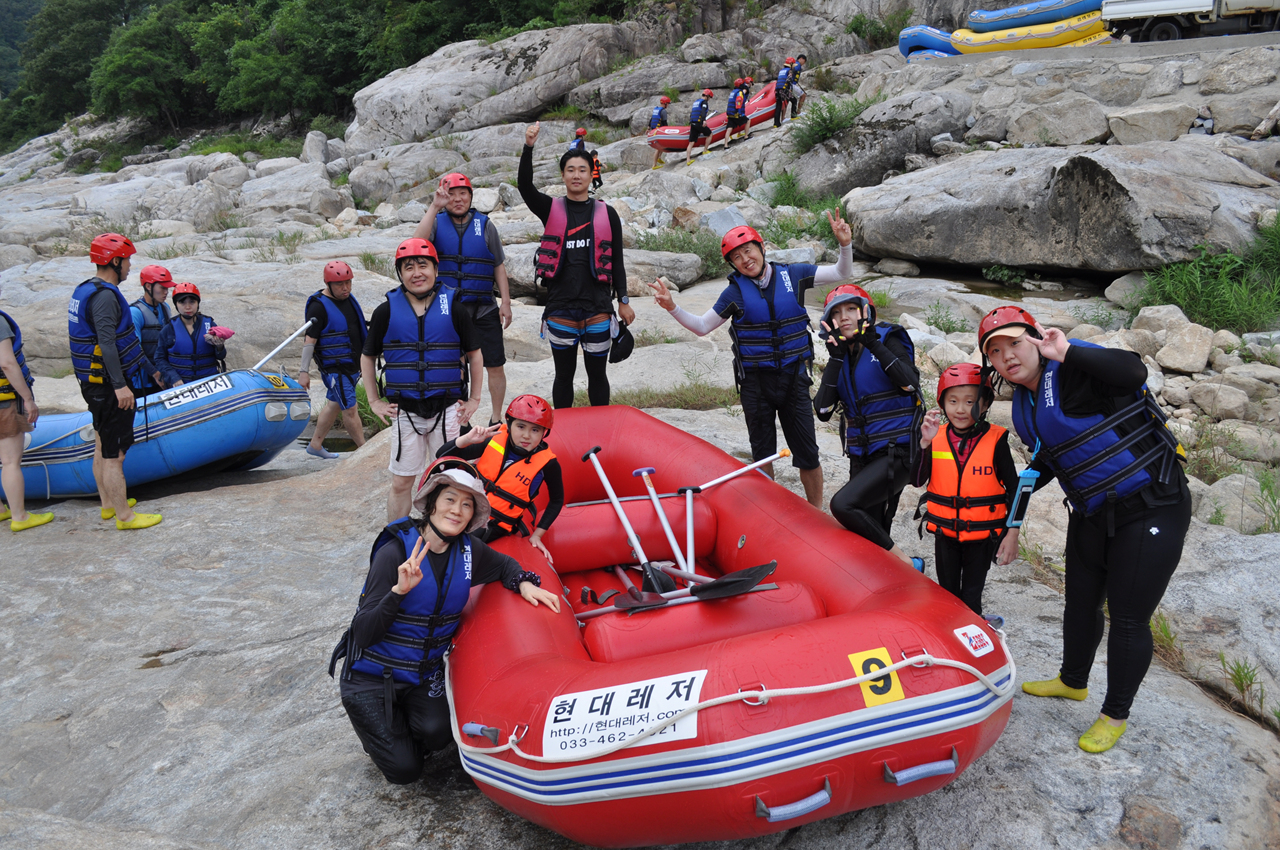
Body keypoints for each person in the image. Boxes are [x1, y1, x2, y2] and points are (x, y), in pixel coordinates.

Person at [979, 305, 1189, 754]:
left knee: (1128, 618)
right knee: (1079, 603)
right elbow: (1047, 463)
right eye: (995, 351)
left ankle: (1114, 715)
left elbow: (1133, 372)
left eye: (1015, 343)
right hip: (1093, 511)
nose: (1007, 356)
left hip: (1152, 505)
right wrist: (1008, 520)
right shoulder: (1027, 403)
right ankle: (1072, 681)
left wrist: (1068, 351)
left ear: (1036, 339)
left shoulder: (1074, 369)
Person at [329, 457, 561, 785]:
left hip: (421, 675)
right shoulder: (394, 552)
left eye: (467, 504)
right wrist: (398, 592)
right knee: (404, 771)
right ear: (432, 504)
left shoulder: (469, 551)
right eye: (450, 499)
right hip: (371, 677)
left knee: (438, 735)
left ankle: (400, 730)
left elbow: (505, 565)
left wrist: (523, 582)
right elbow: (363, 633)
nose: (457, 510)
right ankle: (383, 738)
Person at [646, 215, 863, 509]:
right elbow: (702, 326)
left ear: (761, 248)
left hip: (794, 378)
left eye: (748, 250)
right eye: (736, 257)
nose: (745, 259)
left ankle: (816, 512)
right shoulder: (734, 292)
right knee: (762, 456)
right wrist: (673, 306)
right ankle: (768, 513)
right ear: (732, 264)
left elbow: (841, 272)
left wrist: (845, 244)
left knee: (808, 455)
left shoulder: (794, 274)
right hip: (756, 384)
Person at [362, 238, 484, 522]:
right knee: (402, 481)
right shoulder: (386, 311)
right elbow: (367, 356)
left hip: (447, 409)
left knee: (451, 477)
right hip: (406, 411)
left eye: (423, 265)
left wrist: (475, 399)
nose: (416, 273)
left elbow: (475, 355)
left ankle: (446, 531)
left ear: (436, 270)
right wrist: (374, 401)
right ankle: (396, 534)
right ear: (400, 274)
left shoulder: (454, 308)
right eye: (408, 267)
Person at [519, 122, 634, 408]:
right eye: (570, 170)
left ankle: (600, 429)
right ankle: (563, 431)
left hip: (597, 308)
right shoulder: (550, 209)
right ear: (563, 175)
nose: (576, 175)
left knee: (598, 377)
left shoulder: (607, 213)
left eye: (582, 170)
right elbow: (525, 187)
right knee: (563, 377)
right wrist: (528, 147)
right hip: (561, 309)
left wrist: (623, 300)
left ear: (591, 174)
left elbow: (616, 260)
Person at [812, 283, 923, 566]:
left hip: (898, 453)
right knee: (869, 531)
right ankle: (894, 575)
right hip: (863, 456)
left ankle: (907, 564)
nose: (844, 317)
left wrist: (873, 343)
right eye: (836, 313)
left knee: (843, 505)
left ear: (866, 312)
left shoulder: (887, 339)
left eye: (851, 308)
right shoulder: (841, 355)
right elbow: (822, 410)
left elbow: (910, 383)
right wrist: (835, 359)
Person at [67, 233, 162, 530]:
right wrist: (120, 386)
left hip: (94, 384)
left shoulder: (86, 289)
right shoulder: (105, 297)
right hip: (109, 386)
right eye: (128, 260)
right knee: (114, 455)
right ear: (114, 261)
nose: (130, 266)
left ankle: (108, 505)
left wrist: (150, 370)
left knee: (101, 442)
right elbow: (107, 343)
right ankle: (125, 516)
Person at [913, 363, 1020, 620]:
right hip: (945, 533)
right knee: (947, 594)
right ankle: (949, 633)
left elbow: (1015, 488)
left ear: (984, 404)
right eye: (953, 401)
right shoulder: (934, 436)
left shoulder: (997, 440)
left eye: (970, 401)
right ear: (942, 403)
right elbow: (917, 480)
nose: (960, 409)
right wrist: (924, 444)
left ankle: (973, 631)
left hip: (982, 537)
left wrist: (1012, 532)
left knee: (972, 596)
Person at [415, 173, 513, 426]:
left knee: (495, 364)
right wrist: (434, 206)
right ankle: (461, 421)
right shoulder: (437, 222)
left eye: (463, 194)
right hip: (450, 309)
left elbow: (498, 265)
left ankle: (496, 418)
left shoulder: (485, 225)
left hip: (484, 307)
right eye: (452, 194)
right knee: (456, 366)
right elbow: (417, 243)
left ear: (471, 196)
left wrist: (505, 302)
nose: (458, 199)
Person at [436, 394, 563, 564]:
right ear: (509, 424)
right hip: (467, 506)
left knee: (454, 547)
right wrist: (467, 439)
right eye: (521, 427)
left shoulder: (548, 464)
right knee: (435, 532)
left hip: (493, 524)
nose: (526, 435)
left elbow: (557, 500)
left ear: (544, 433)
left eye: (535, 430)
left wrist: (537, 535)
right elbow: (442, 456)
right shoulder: (494, 439)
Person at [300, 260, 368, 459]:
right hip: (336, 370)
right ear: (328, 284)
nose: (345, 288)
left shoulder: (348, 299)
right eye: (340, 284)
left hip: (352, 366)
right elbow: (309, 341)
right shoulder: (318, 307)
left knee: (334, 404)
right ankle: (365, 451)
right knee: (350, 409)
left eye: (348, 282)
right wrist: (303, 372)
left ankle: (315, 444)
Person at [0, 302, 53, 531]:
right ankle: (20, 517)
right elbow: (7, 363)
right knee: (10, 461)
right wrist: (28, 399)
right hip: (4, 403)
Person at [155, 283, 228, 387]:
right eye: (182, 302)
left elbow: (221, 356)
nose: (188, 307)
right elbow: (159, 358)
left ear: (198, 303)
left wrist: (220, 347)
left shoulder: (209, 325)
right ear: (176, 304)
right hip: (182, 385)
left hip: (209, 384)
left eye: (192, 302)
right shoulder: (169, 329)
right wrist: (174, 378)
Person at [129, 264, 175, 394]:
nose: (166, 292)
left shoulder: (165, 307)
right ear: (148, 286)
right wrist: (154, 373)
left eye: (167, 288)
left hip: (164, 374)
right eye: (162, 287)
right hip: (143, 381)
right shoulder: (135, 312)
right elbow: (134, 349)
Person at [685, 89, 715, 164]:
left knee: (691, 142)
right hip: (699, 123)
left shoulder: (696, 102)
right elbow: (703, 111)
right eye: (709, 97)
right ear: (707, 96)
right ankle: (705, 150)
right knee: (709, 134)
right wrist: (704, 120)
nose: (709, 99)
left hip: (693, 123)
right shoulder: (704, 102)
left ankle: (688, 160)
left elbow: (692, 113)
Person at [725, 79, 749, 147]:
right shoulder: (739, 92)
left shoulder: (733, 92)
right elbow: (739, 102)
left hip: (730, 113)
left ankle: (725, 145)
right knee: (747, 121)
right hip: (736, 113)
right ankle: (746, 136)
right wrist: (739, 113)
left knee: (729, 128)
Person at [649, 95, 671, 170]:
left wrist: (648, 128)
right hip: (659, 131)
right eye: (668, 104)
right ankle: (654, 165)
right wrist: (667, 130)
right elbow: (664, 122)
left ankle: (659, 158)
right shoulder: (663, 111)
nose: (668, 105)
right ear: (665, 103)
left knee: (662, 145)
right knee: (658, 147)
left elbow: (651, 119)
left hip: (654, 130)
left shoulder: (656, 109)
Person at [773, 59, 794, 127]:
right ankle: (794, 116)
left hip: (777, 89)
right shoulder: (789, 71)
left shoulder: (781, 71)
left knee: (778, 106)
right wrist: (789, 89)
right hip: (784, 89)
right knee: (794, 100)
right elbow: (789, 79)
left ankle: (776, 123)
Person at [790, 54, 808, 118]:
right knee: (803, 95)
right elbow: (794, 70)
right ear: (801, 59)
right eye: (804, 61)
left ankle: (783, 118)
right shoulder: (798, 64)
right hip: (791, 84)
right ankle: (798, 112)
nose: (803, 63)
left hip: (790, 84)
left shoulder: (794, 64)